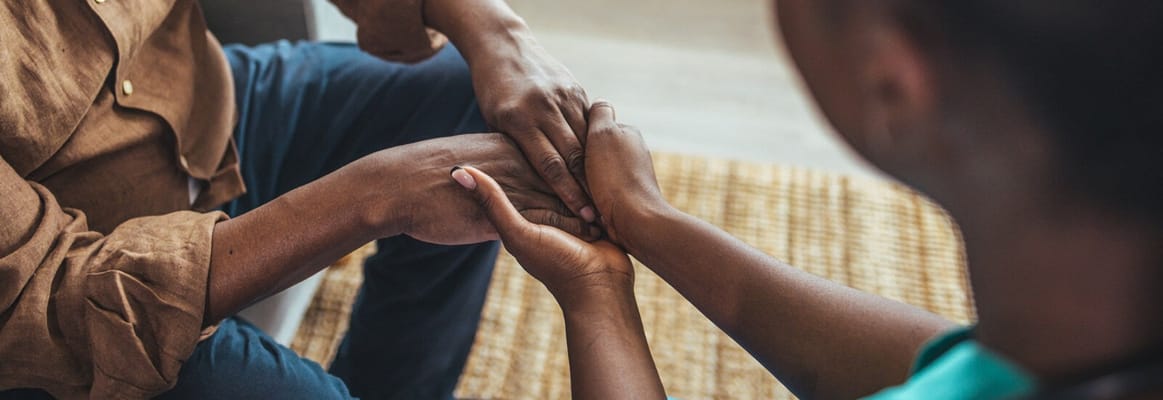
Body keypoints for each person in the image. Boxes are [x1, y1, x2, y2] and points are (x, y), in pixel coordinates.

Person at [452, 0, 1163, 399]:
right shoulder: (1082, 334)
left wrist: (593, 297)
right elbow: (956, 374)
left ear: (891, 83)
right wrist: (649, 223)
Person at [0, 0, 598, 399]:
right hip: (78, 298)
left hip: (207, 102)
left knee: (461, 98)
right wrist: (377, 194)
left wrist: (490, 25)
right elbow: (42, 291)